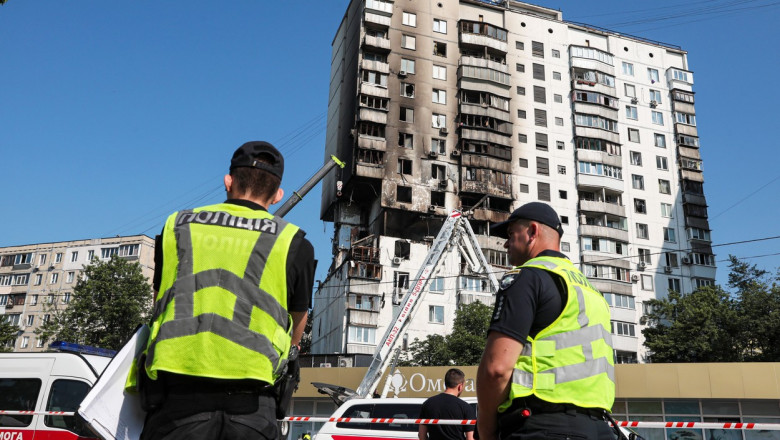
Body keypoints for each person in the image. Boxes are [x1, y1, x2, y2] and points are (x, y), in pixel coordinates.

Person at [133, 141, 316, 440]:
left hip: (176, 397)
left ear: (228, 181)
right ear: (278, 194)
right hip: (254, 402)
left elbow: (159, 300)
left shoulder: (177, 226)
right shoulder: (294, 242)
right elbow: (298, 319)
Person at [476, 202, 615, 440]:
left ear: (532, 231)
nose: (506, 243)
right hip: (601, 430)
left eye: (511, 234)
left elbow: (496, 369)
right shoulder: (591, 292)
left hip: (542, 427)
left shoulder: (528, 277)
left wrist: (486, 432)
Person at [418, 368, 476, 440]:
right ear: (460, 386)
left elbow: (421, 435)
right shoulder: (466, 407)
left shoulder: (428, 404)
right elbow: (470, 438)